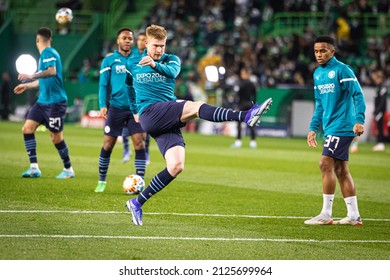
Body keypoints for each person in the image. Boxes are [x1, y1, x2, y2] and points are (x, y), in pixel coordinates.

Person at [125, 24, 272, 226]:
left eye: (163, 46)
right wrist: (134, 111)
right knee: (196, 107)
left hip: (166, 115)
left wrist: (154, 65)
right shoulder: (132, 63)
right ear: (147, 43)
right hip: (150, 113)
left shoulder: (172, 60)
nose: (159, 50)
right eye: (156, 45)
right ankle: (246, 116)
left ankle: (137, 202)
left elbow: (172, 73)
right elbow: (128, 86)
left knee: (176, 166)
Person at [306, 35, 366, 226]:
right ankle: (354, 215)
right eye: (316, 51)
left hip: (343, 126)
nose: (319, 54)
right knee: (341, 170)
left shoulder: (342, 69)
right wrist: (313, 127)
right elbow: (320, 104)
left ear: (333, 51)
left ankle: (326, 213)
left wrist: (359, 120)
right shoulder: (317, 74)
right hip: (331, 127)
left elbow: (358, 94)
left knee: (325, 164)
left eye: (323, 50)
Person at [13, 27, 75, 179]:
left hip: (55, 103)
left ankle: (68, 169)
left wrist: (30, 75)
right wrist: (26, 85)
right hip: (42, 102)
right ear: (50, 39)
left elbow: (51, 71)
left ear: (37, 40)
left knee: (56, 137)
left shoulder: (48, 52)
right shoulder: (47, 54)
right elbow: (44, 81)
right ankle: (34, 168)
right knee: (27, 129)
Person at [95, 27, 147, 193]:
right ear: (118, 41)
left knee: (139, 143)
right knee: (108, 144)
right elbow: (103, 84)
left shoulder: (139, 59)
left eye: (130, 39)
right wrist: (103, 105)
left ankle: (140, 182)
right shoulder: (109, 60)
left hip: (135, 109)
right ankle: (102, 180)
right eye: (124, 38)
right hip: (115, 108)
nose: (127, 41)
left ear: (133, 42)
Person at [121, 32, 149, 163]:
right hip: (129, 97)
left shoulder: (151, 57)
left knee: (145, 130)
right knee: (125, 129)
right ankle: (126, 150)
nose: (142, 42)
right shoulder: (131, 57)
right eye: (140, 39)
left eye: (144, 40)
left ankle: (145, 152)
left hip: (143, 99)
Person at [231, 68, 258, 149]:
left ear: (245, 74)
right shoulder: (252, 84)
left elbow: (237, 95)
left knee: (239, 123)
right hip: (249, 104)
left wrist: (235, 104)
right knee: (251, 124)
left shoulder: (240, 83)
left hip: (241, 105)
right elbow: (255, 95)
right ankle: (253, 142)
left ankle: (238, 141)